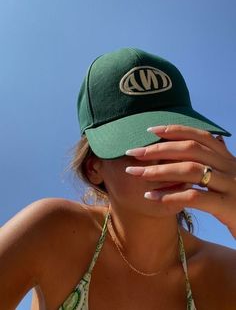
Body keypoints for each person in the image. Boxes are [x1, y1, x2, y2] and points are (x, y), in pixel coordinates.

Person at [0, 48, 235, 310]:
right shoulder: (52, 232)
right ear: (93, 168)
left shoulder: (225, 271)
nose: (164, 157)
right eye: (138, 143)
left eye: (176, 139)